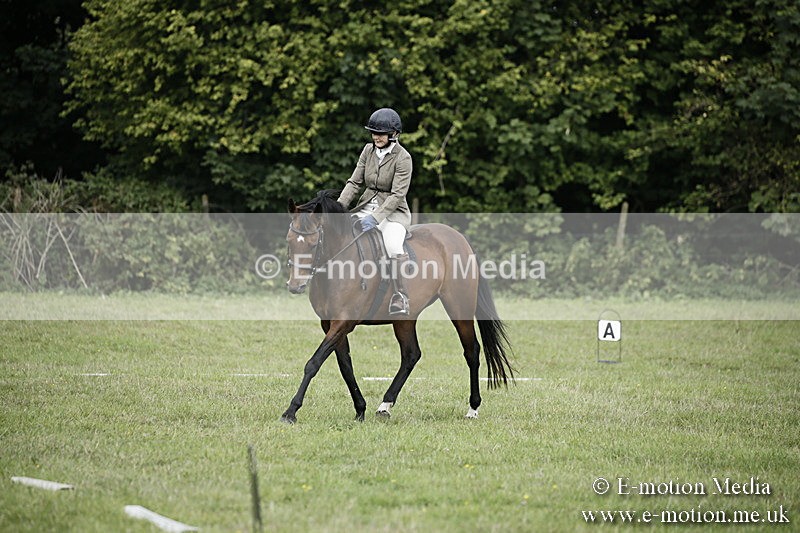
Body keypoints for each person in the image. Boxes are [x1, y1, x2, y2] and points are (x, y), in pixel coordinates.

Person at [337, 108, 413, 315]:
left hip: (393, 212)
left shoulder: (403, 158)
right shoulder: (367, 151)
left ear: (394, 134)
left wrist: (375, 218)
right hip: (365, 206)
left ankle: (400, 296)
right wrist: (338, 207)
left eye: (381, 133)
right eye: (374, 133)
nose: (376, 137)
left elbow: (397, 195)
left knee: (392, 244)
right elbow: (354, 182)